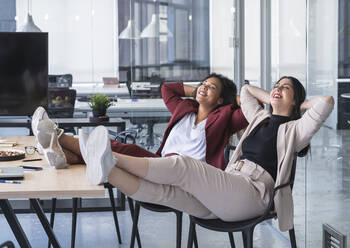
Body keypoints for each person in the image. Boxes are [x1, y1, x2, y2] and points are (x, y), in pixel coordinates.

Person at [81, 76, 334, 232]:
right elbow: (245, 92)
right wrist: (273, 98)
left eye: (285, 87)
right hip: (230, 188)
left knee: (183, 166)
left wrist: (298, 104)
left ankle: (108, 157)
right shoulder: (260, 118)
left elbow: (326, 103)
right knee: (167, 194)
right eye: (276, 85)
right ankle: (108, 170)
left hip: (253, 196)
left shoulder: (295, 130)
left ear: (296, 100)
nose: (278, 88)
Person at [32, 73, 248, 170]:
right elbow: (167, 88)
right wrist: (198, 91)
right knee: (118, 150)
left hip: (191, 172)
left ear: (221, 99)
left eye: (212, 87)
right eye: (204, 83)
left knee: (118, 148)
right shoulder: (184, 108)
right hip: (162, 163)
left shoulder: (225, 117)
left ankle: (56, 136)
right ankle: (64, 155)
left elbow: (250, 109)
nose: (204, 87)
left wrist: (231, 99)